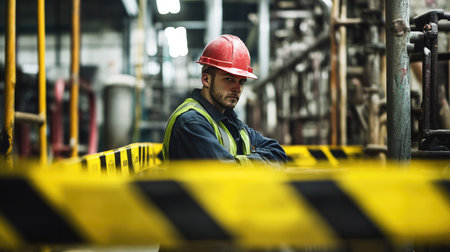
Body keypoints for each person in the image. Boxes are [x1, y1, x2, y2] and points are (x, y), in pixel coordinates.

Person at [162, 34, 287, 164]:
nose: (237, 88)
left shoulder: (231, 123)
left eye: (242, 82)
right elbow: (226, 172)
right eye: (229, 79)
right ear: (206, 80)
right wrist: (258, 162)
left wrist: (238, 163)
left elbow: (278, 153)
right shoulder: (191, 122)